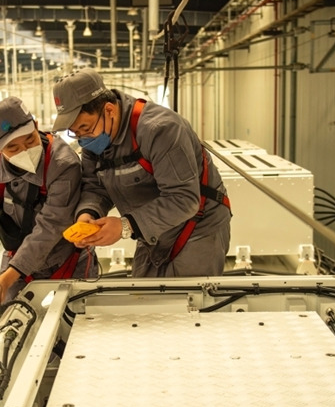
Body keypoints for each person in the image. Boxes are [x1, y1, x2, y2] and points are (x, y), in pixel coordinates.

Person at [51, 68, 231, 277]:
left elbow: (184, 199)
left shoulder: (160, 129)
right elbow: (95, 186)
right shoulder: (94, 140)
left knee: (188, 303)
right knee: (144, 300)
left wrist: (125, 226)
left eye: (85, 127)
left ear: (109, 110)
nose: (83, 138)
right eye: (76, 132)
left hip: (198, 225)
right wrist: (87, 214)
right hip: (152, 229)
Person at [0, 96, 97, 318]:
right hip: (18, 257)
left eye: (30, 140)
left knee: (77, 322)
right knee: (10, 323)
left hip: (67, 257)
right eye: (13, 147)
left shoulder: (62, 163)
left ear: (36, 127)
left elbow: (50, 227)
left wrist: (8, 277)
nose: (25, 150)